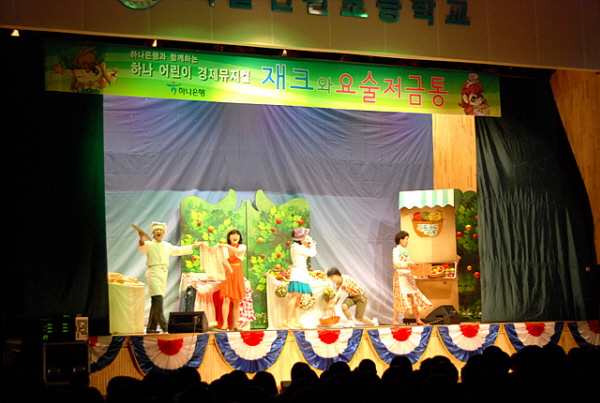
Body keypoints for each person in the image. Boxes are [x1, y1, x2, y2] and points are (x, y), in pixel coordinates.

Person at [138, 221, 202, 333]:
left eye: (161, 230)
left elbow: (178, 250)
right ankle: (164, 325)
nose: (159, 232)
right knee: (157, 299)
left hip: (163, 273)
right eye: (157, 230)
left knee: (156, 301)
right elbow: (142, 247)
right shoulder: (149, 244)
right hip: (153, 272)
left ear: (164, 233)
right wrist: (141, 239)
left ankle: (151, 327)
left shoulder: (166, 245)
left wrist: (192, 246)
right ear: (153, 232)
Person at [392, 231, 432, 325]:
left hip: (408, 275)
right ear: (401, 240)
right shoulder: (396, 250)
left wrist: (414, 266)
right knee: (399, 296)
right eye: (406, 239)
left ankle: (418, 319)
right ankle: (395, 320)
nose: (407, 241)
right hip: (400, 275)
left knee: (413, 295)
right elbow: (396, 263)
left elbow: (409, 262)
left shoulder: (405, 250)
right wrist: (408, 264)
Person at [284, 228, 317, 329]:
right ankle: (286, 321)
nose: (306, 237)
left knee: (298, 300)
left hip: (301, 273)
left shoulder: (299, 247)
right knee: (294, 298)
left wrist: (308, 244)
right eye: (305, 236)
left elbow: (308, 252)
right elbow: (312, 253)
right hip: (297, 274)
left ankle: (297, 322)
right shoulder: (295, 247)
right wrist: (311, 243)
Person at [215, 229, 247, 331]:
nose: (235, 236)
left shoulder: (242, 246)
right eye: (233, 235)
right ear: (229, 237)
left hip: (238, 273)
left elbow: (238, 251)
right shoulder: (224, 249)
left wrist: (226, 246)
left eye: (237, 234)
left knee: (237, 300)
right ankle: (224, 324)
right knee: (226, 299)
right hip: (228, 272)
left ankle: (235, 324)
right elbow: (222, 260)